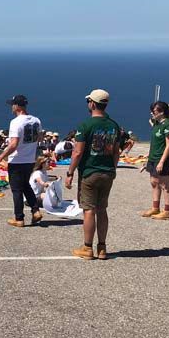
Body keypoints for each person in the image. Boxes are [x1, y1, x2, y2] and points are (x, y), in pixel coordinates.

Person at [64, 89, 122, 259]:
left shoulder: (85, 125)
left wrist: (70, 172)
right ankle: (102, 248)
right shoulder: (114, 125)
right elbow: (116, 152)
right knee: (102, 209)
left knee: (89, 210)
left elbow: (77, 152)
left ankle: (87, 247)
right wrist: (112, 168)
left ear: (92, 104)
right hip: (108, 172)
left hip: (90, 172)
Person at [0, 95, 43, 227]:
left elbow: (14, 144)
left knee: (16, 190)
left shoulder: (15, 122)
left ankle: (19, 218)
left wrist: (0, 157)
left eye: (13, 104)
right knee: (26, 185)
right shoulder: (36, 120)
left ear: (17, 106)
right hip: (30, 159)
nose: (11, 107)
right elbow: (40, 138)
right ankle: (35, 210)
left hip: (17, 160)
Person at [141, 101, 169, 220]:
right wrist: (148, 157)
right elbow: (156, 142)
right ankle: (155, 208)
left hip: (162, 158)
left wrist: (161, 162)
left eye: (154, 111)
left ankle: (167, 211)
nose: (152, 113)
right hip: (153, 157)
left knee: (164, 184)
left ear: (162, 112)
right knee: (154, 182)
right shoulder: (157, 124)